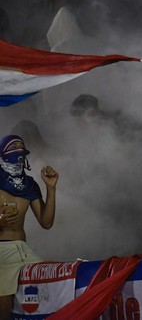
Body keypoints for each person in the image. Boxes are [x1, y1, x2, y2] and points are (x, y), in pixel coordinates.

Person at [0, 135, 58, 320]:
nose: (18, 156)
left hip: (23, 250)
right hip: (1, 251)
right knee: (3, 306)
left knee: (51, 286)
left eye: (21, 151)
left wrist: (51, 189)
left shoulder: (29, 184)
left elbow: (46, 222)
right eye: (13, 149)